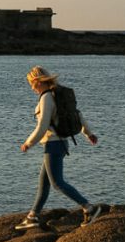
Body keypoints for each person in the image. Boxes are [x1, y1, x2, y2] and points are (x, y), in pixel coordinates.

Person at [16, 65, 102, 229]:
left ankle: (89, 208)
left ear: (36, 81)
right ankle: (33, 216)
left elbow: (42, 125)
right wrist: (88, 133)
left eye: (31, 85)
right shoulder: (59, 94)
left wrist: (28, 143)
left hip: (54, 144)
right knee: (45, 183)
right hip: (61, 143)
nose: (32, 88)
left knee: (57, 183)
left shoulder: (46, 97)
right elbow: (78, 115)